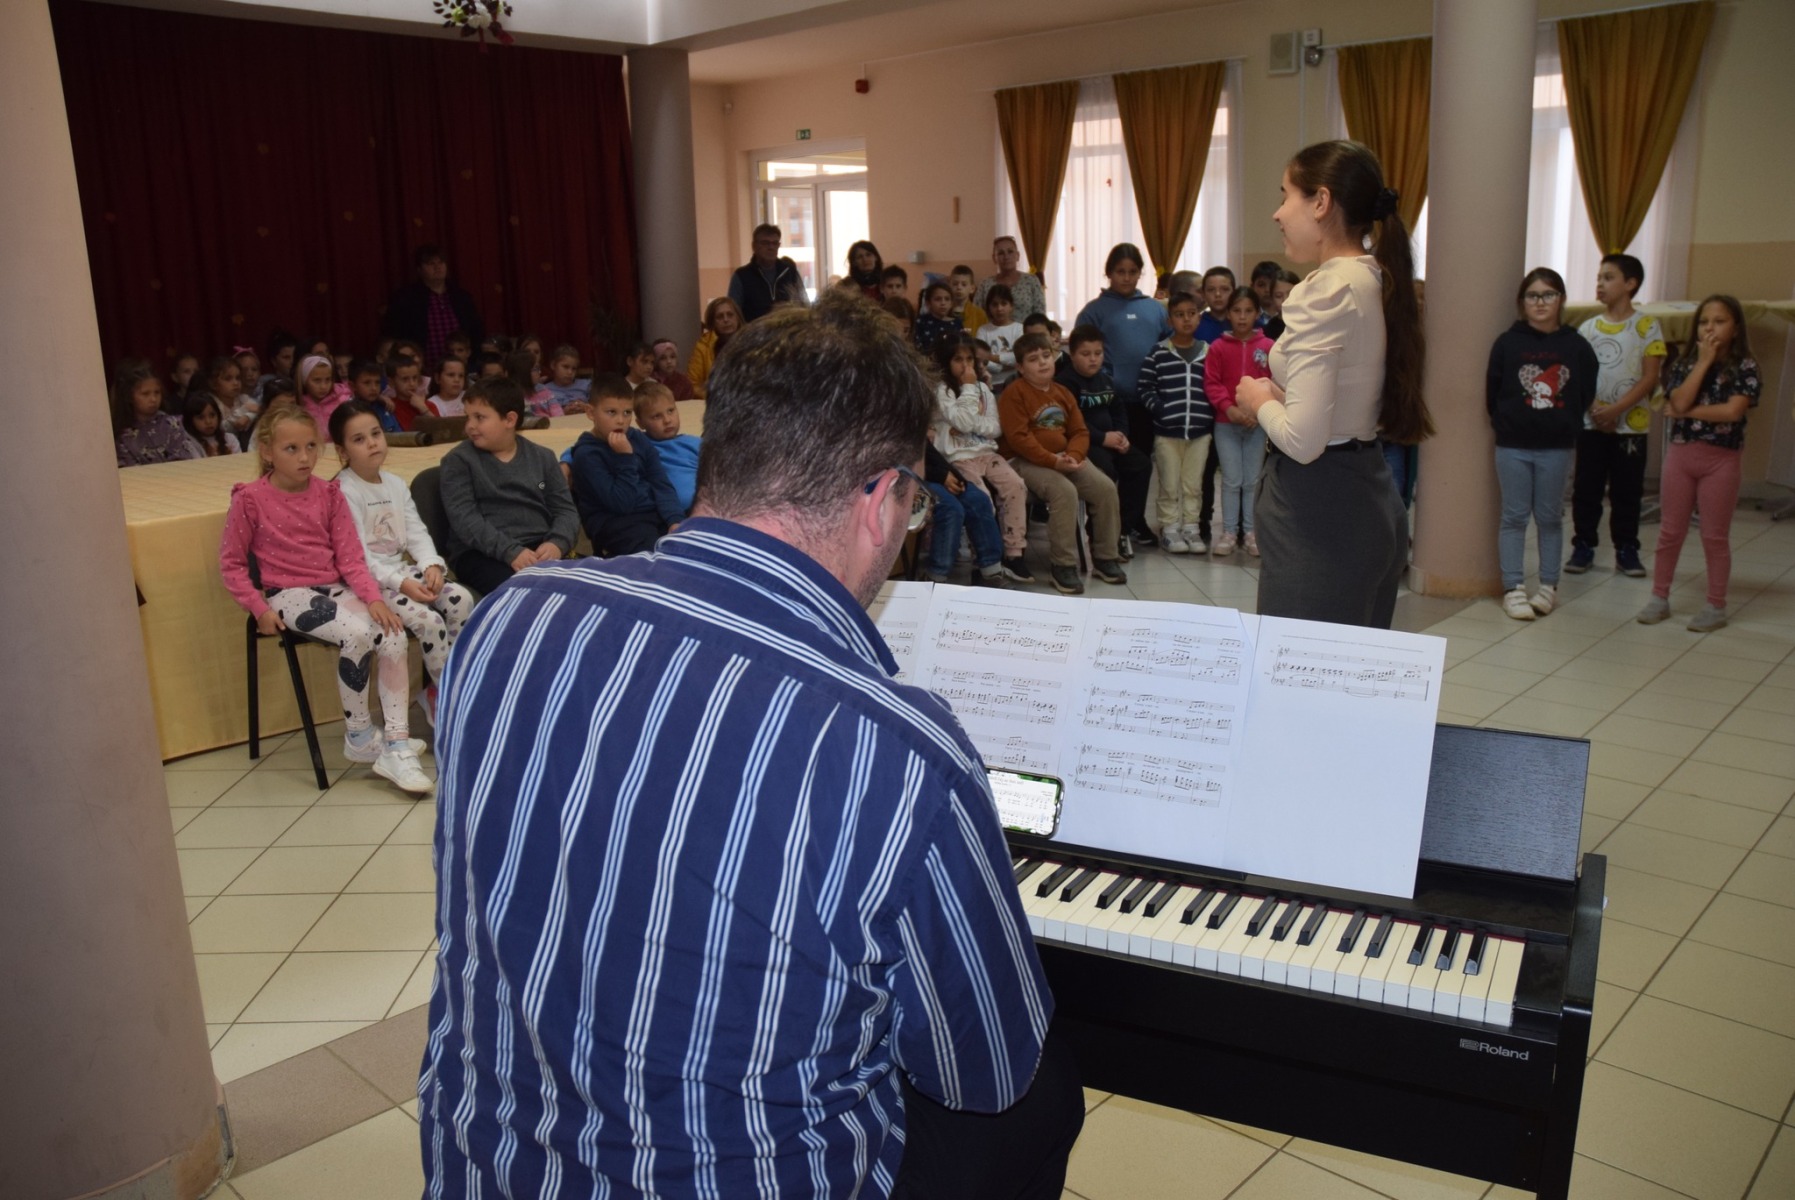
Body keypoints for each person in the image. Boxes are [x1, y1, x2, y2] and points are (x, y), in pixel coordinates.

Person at [419, 289, 1081, 1198]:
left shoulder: (507, 622)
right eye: (915, 503)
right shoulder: (897, 749)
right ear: (880, 500)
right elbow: (986, 1074)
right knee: (1041, 1097)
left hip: (486, 1172)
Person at [1234, 139, 1432, 630]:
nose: (1278, 213)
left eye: (1286, 196)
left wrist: (1258, 399)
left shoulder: (1325, 289)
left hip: (1320, 506)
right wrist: (1282, 396)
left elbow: (1304, 442)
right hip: (1365, 487)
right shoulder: (1372, 277)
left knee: (1297, 663)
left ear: (1321, 201)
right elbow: (1345, 393)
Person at [218, 403, 431, 794]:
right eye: (292, 449)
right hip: (287, 595)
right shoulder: (250, 499)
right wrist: (258, 607)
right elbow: (231, 565)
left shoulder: (329, 494)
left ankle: (397, 742)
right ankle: (360, 735)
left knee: (393, 632)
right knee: (359, 634)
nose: (305, 457)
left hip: (335, 589)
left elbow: (350, 559)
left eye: (311, 447)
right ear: (267, 451)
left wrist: (373, 599)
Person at [330, 400, 473, 725]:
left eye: (376, 433)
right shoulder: (344, 490)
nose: (372, 443)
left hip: (401, 571)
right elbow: (356, 556)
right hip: (371, 582)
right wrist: (402, 583)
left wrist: (431, 565)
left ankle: (447, 688)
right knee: (430, 622)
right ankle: (450, 703)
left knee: (462, 600)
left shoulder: (394, 483)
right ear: (341, 451)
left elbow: (416, 531)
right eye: (359, 439)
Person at [1638, 295, 1759, 633]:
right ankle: (1659, 597)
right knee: (1670, 531)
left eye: (1719, 322)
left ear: (1736, 328)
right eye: (1704, 322)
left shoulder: (1745, 367)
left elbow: (1732, 412)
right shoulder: (1684, 364)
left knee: (1714, 536)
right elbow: (1677, 401)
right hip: (1681, 456)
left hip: (1721, 460)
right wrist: (1703, 363)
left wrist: (1688, 412)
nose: (1710, 329)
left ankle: (1715, 605)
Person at [1486, 268, 1598, 621]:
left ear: (1560, 299)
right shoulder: (1507, 343)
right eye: (1532, 296)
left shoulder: (1575, 345)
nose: (1540, 302)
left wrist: (1564, 423)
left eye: (1548, 295)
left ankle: (1549, 586)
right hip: (1513, 446)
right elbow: (1493, 393)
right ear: (1522, 302)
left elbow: (1586, 391)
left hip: (1556, 446)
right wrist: (1509, 423)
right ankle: (1514, 588)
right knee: (1514, 516)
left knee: (1549, 517)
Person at [999, 332, 1127, 594]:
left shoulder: (1062, 392)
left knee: (1105, 488)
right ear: (1020, 368)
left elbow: (1080, 431)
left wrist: (1074, 456)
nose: (1042, 362)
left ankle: (1105, 557)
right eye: (1033, 359)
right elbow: (1019, 439)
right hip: (1024, 460)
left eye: (1046, 356)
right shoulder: (1014, 393)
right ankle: (1063, 565)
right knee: (1064, 491)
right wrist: (1054, 462)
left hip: (1065, 457)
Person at [1569, 253, 1665, 577]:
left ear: (1630, 284)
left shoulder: (1647, 327)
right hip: (1592, 423)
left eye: (1608, 277)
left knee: (1627, 491)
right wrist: (1597, 410)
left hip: (1630, 428)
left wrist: (1616, 410)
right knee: (1587, 488)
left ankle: (1626, 549)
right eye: (1599, 277)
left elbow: (1649, 377)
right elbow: (1580, 376)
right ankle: (1583, 545)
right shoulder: (1588, 328)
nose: (1600, 283)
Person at [438, 375, 579, 596]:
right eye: (468, 417)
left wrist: (557, 544)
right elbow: (466, 521)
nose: (470, 426)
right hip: (482, 554)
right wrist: (510, 552)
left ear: (510, 420)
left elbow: (565, 510)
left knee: (588, 585)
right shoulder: (458, 461)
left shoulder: (543, 457)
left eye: (479, 417)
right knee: (531, 594)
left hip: (540, 547)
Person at [1074, 244, 1171, 549]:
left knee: (1139, 463)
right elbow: (1081, 354)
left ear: (1140, 273)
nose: (1126, 278)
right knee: (1109, 467)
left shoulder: (1155, 309)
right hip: (1106, 405)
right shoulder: (1094, 311)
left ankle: (1132, 523)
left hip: (1146, 402)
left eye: (1132, 272)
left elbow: (1167, 349)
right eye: (1120, 272)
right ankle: (1104, 525)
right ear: (1109, 273)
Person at [933, 335, 1031, 581]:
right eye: (958, 360)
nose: (966, 366)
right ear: (946, 362)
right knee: (982, 499)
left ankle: (1014, 552)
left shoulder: (984, 389)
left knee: (1016, 486)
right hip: (957, 458)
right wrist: (968, 391)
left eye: (969, 359)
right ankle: (983, 560)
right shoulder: (942, 391)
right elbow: (963, 421)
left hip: (986, 453)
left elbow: (995, 428)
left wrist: (970, 424)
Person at [1056, 326, 1151, 563]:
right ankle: (1100, 534)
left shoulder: (1105, 379)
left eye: (1098, 353)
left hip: (1111, 440)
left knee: (1141, 464)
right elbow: (1073, 422)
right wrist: (1102, 438)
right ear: (1072, 354)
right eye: (1086, 354)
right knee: (1106, 472)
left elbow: (1118, 410)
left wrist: (1122, 435)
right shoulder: (1065, 383)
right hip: (1084, 443)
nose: (1093, 359)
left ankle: (1122, 530)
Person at [1137, 293, 1214, 554]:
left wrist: (1208, 412)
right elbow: (1144, 387)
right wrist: (1161, 409)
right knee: (1169, 484)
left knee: (1193, 485)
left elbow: (1215, 386)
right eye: (1179, 315)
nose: (1186, 319)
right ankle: (1169, 529)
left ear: (1199, 317)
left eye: (1191, 313)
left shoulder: (1208, 352)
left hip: (1200, 433)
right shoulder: (1158, 352)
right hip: (1167, 433)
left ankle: (1191, 528)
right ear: (1170, 320)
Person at [568, 382, 684, 556]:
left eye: (627, 412)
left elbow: (660, 483)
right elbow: (622, 504)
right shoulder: (587, 455)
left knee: (692, 549)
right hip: (616, 522)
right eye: (611, 412)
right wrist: (625, 457)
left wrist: (674, 520)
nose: (621, 421)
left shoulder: (636, 437)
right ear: (591, 413)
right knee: (660, 559)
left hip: (652, 514)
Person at [1203, 287, 1272, 557]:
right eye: (1237, 311)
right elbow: (1212, 383)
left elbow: (1272, 382)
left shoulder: (1268, 347)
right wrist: (1228, 408)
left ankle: (1251, 532)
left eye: (1248, 311)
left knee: (1252, 480)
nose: (1242, 317)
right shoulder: (1218, 347)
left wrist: (1258, 411)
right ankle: (1229, 532)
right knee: (1232, 480)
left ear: (1257, 314)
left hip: (1257, 424)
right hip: (1226, 424)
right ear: (1229, 314)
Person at [922, 439, 1012, 588]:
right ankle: (935, 577)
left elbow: (930, 452)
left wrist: (955, 476)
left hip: (934, 474)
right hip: (905, 478)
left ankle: (990, 573)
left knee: (978, 500)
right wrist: (941, 476)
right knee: (951, 508)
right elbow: (896, 462)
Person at [383, 244, 484, 364]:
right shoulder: (405, 299)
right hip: (421, 366)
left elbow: (475, 332)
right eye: (431, 263)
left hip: (459, 366)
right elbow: (396, 334)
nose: (437, 267)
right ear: (419, 269)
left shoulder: (461, 297)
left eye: (441, 262)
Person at [634, 381, 701, 513]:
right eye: (656, 416)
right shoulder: (641, 445)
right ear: (640, 423)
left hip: (712, 507)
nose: (667, 420)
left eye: (671, 411)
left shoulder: (695, 443)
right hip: (672, 514)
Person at [114, 369, 199, 467]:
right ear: (129, 397)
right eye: (145, 394)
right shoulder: (123, 436)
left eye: (157, 392)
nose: (153, 399)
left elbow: (184, 459)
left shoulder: (172, 424)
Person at [728, 223, 809, 322]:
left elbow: (803, 305)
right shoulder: (741, 276)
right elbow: (733, 312)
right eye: (765, 243)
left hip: (787, 329)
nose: (771, 247)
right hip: (755, 330)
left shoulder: (789, 272)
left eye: (775, 243)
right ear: (754, 246)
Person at [974, 235, 1047, 321]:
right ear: (994, 258)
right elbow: (976, 316)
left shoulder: (1031, 281)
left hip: (1027, 329)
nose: (1006, 257)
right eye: (1001, 253)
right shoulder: (985, 285)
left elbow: (1040, 315)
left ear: (1017, 255)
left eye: (1010, 252)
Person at [687, 296, 743, 399]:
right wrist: (713, 397)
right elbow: (692, 385)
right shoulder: (703, 346)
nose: (726, 320)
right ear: (713, 322)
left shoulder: (751, 342)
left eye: (730, 315)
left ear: (738, 318)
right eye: (720, 317)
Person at [975, 284, 1024, 391]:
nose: (999, 308)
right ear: (989, 307)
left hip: (1016, 383)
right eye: (994, 304)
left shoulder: (1020, 329)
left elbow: (1019, 357)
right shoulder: (983, 330)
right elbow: (981, 360)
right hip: (990, 385)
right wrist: (1007, 365)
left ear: (1011, 306)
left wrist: (991, 357)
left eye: (1004, 303)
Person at [182, 390, 239, 457]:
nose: (208, 422)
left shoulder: (230, 439)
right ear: (190, 420)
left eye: (212, 415)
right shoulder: (188, 443)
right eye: (201, 417)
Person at [540, 344, 592, 413]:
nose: (570, 372)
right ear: (553, 365)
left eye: (574, 369)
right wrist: (562, 412)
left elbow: (598, 407)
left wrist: (585, 407)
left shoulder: (586, 386)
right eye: (565, 367)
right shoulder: (544, 390)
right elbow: (542, 414)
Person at [1192, 267, 1239, 344]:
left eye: (1225, 289)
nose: (1218, 294)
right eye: (1211, 290)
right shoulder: (1195, 325)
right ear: (1203, 294)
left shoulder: (1243, 322)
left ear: (1234, 292)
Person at [913, 281, 962, 354]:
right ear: (928, 303)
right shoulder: (921, 322)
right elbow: (917, 346)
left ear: (951, 303)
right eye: (938, 299)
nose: (943, 303)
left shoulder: (957, 323)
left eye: (947, 299)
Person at [949, 265, 989, 334]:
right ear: (949, 286)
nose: (959, 287)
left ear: (972, 289)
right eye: (955, 284)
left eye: (964, 284)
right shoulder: (944, 312)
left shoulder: (979, 314)